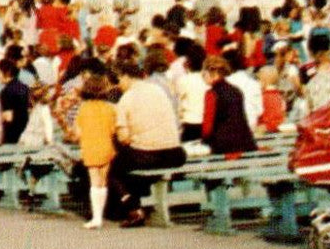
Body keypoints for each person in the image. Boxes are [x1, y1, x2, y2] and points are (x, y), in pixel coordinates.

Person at [110, 60, 186, 227]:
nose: (118, 85)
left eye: (118, 80)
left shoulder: (126, 99)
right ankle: (144, 203)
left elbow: (124, 138)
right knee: (134, 168)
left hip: (147, 155)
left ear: (125, 77)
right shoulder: (158, 91)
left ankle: (133, 208)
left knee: (114, 169)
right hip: (175, 153)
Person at [72, 71, 119, 230]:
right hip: (107, 147)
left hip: (90, 147)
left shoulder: (83, 108)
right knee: (103, 182)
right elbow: (114, 130)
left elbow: (77, 133)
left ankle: (96, 217)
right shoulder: (110, 108)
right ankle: (100, 215)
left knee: (94, 182)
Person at [201, 55, 256, 155]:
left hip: (223, 145)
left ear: (213, 73)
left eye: (204, 74)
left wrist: (203, 140)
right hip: (245, 141)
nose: (202, 77)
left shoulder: (211, 94)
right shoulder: (236, 90)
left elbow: (208, 125)